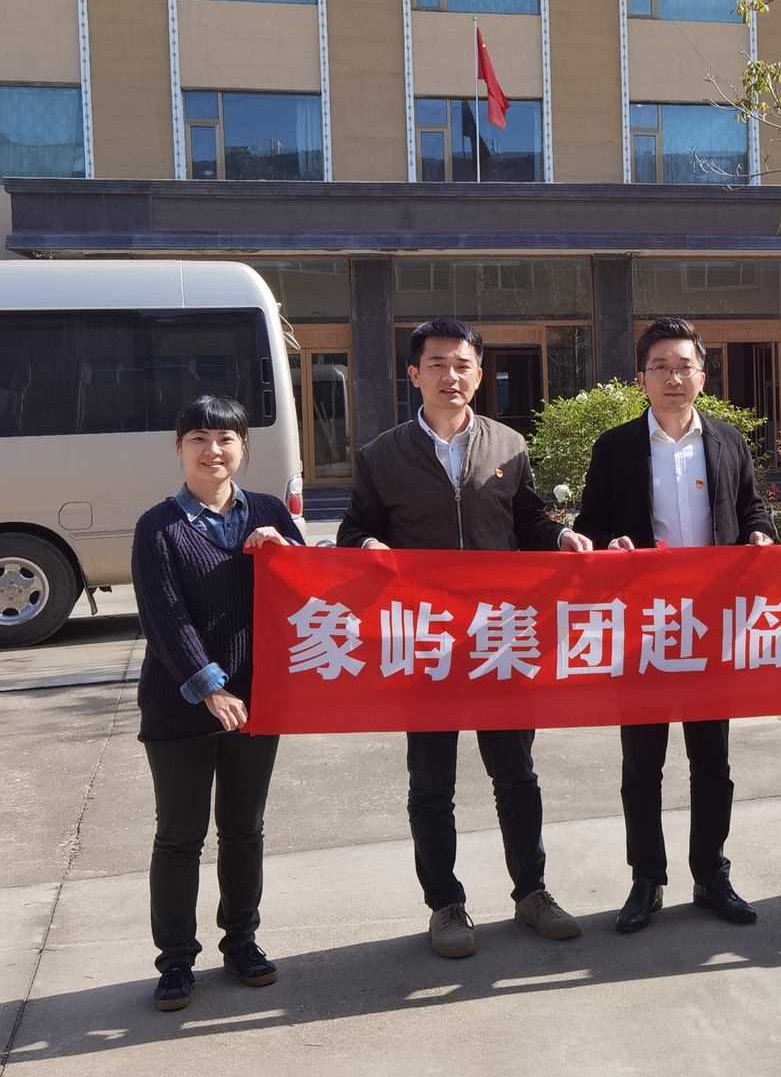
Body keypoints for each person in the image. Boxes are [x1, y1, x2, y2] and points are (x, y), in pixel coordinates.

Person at [338, 317, 594, 957]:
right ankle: (446, 906)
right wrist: (367, 546)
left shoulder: (508, 444)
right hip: (425, 642)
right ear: (413, 375)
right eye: (436, 365)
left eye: (461, 365)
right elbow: (354, 530)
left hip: (498, 637)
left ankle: (532, 892)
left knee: (517, 773)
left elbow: (527, 520)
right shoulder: (381, 455)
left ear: (479, 375)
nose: (449, 376)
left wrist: (560, 536)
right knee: (432, 782)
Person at [575, 317, 775, 934]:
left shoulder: (728, 442)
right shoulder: (616, 447)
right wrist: (609, 543)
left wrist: (760, 535)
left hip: (711, 627)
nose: (673, 377)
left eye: (684, 366)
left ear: (702, 377)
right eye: (660, 366)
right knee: (643, 764)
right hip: (643, 627)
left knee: (712, 762)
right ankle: (646, 878)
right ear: (641, 378)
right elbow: (590, 522)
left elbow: (752, 508)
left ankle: (711, 873)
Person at [132, 395, 303, 1012]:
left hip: (258, 703)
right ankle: (176, 960)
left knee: (243, 829)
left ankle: (242, 942)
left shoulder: (269, 510)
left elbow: (311, 586)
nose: (213, 451)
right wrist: (211, 686)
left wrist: (286, 547)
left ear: (243, 448)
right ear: (179, 448)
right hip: (180, 707)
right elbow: (165, 616)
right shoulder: (159, 526)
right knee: (180, 836)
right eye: (199, 439)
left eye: (226, 439)